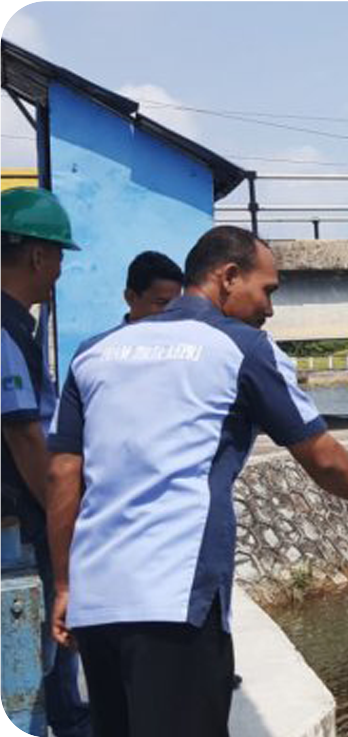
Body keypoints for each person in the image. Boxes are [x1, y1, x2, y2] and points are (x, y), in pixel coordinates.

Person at [46, 224, 348, 737]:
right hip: (175, 597)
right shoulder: (241, 349)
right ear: (228, 277)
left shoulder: (95, 351)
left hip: (97, 601)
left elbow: (61, 473)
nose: (269, 309)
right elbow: (321, 455)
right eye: (267, 290)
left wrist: (67, 584)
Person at [0, 187, 91, 737]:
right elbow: (25, 437)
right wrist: (62, 519)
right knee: (29, 666)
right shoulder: (6, 329)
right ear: (37, 255)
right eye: (58, 257)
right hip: (19, 525)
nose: (58, 271)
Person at [123, 250, 184, 322]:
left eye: (175, 304)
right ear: (131, 297)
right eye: (162, 302)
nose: (171, 313)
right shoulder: (115, 333)